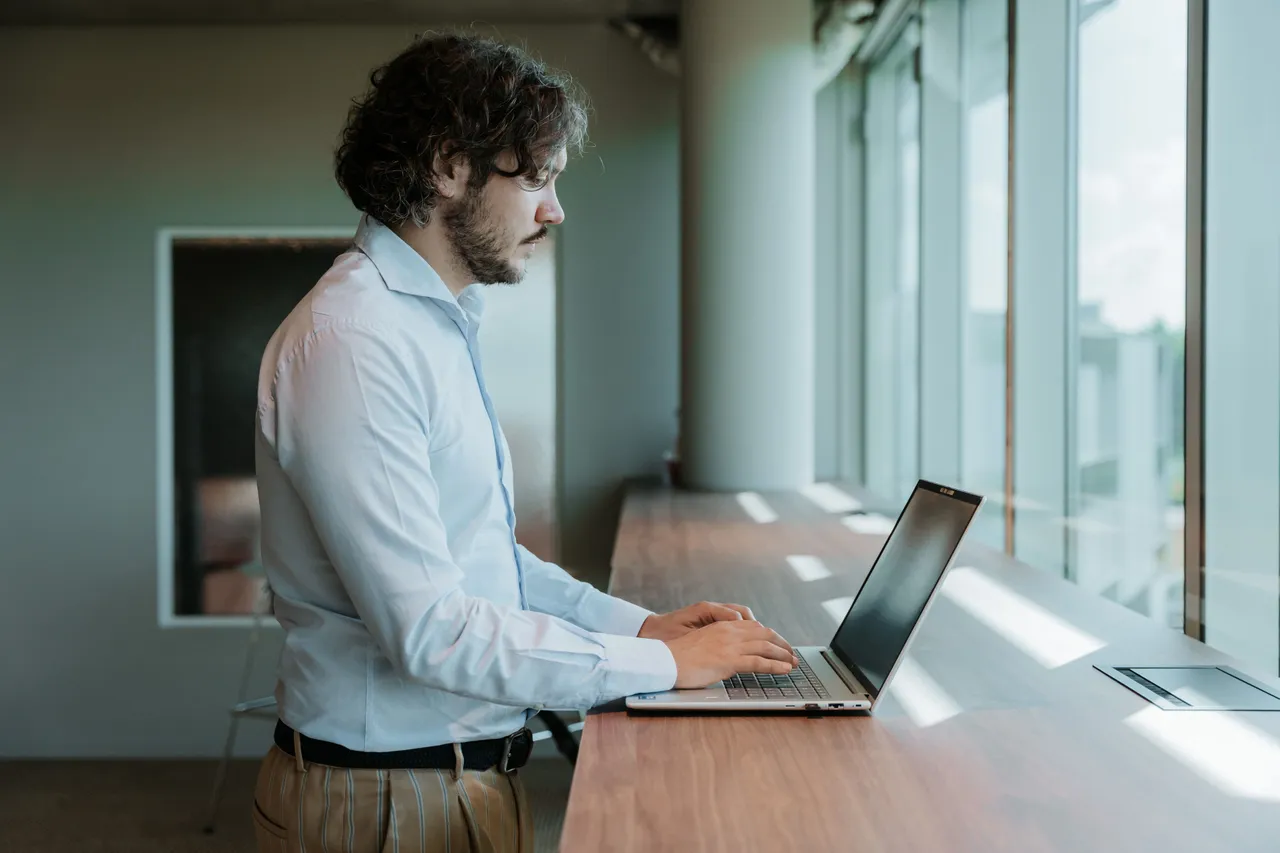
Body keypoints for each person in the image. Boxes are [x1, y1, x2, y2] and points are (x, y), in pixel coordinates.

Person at [250, 31, 797, 853]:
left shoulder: (427, 326)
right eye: (537, 177)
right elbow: (434, 630)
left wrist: (645, 630)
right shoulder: (355, 342)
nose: (554, 209)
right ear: (448, 164)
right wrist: (660, 668)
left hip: (449, 785)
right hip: (388, 804)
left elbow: (485, 563)